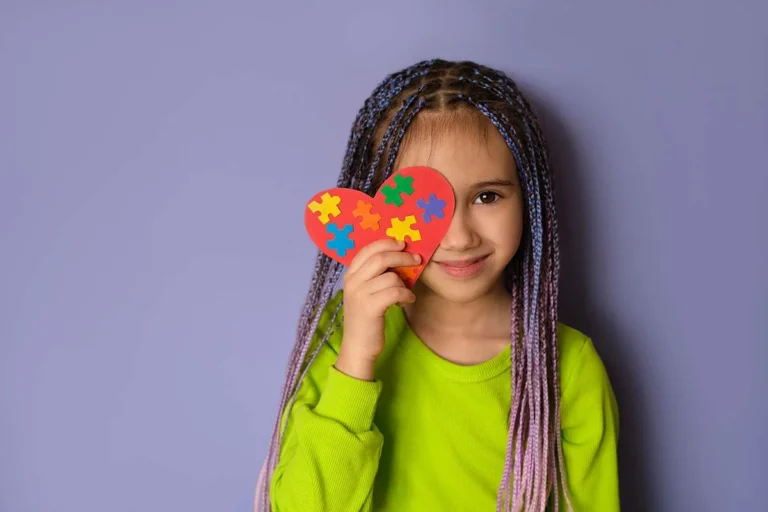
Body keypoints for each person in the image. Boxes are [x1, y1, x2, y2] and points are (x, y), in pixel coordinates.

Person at [254, 59, 620, 512]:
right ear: (375, 210)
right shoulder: (341, 335)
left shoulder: (567, 367)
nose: (460, 237)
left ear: (527, 198)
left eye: (488, 196)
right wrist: (357, 361)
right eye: (427, 205)